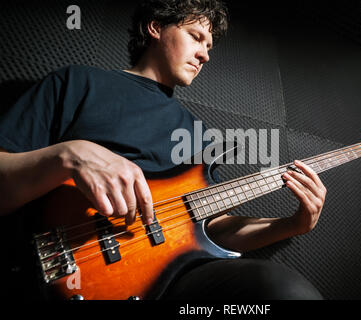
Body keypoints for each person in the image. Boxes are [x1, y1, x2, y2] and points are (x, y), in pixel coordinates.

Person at [0, 0, 326, 300]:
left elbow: (209, 228)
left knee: (285, 291)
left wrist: (291, 225)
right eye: (196, 36)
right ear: (155, 28)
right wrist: (69, 156)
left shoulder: (198, 136)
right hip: (49, 265)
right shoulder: (77, 82)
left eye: (209, 46)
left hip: (169, 283)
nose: (205, 55)